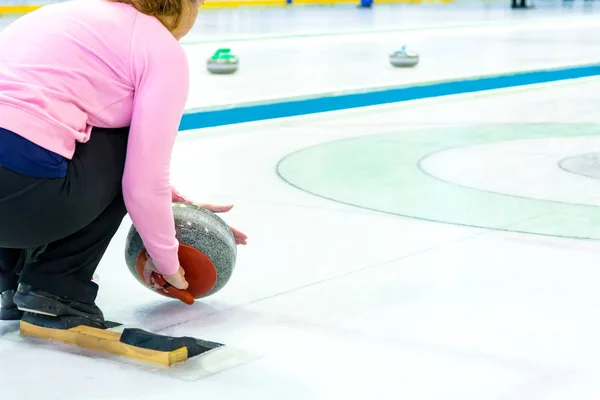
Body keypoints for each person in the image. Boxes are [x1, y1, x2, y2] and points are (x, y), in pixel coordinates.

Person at [0, 0, 247, 328]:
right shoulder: (159, 47)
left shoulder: (63, 14)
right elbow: (142, 182)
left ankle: (10, 283)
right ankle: (56, 289)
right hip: (23, 200)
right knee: (123, 138)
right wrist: (169, 266)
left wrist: (181, 206)